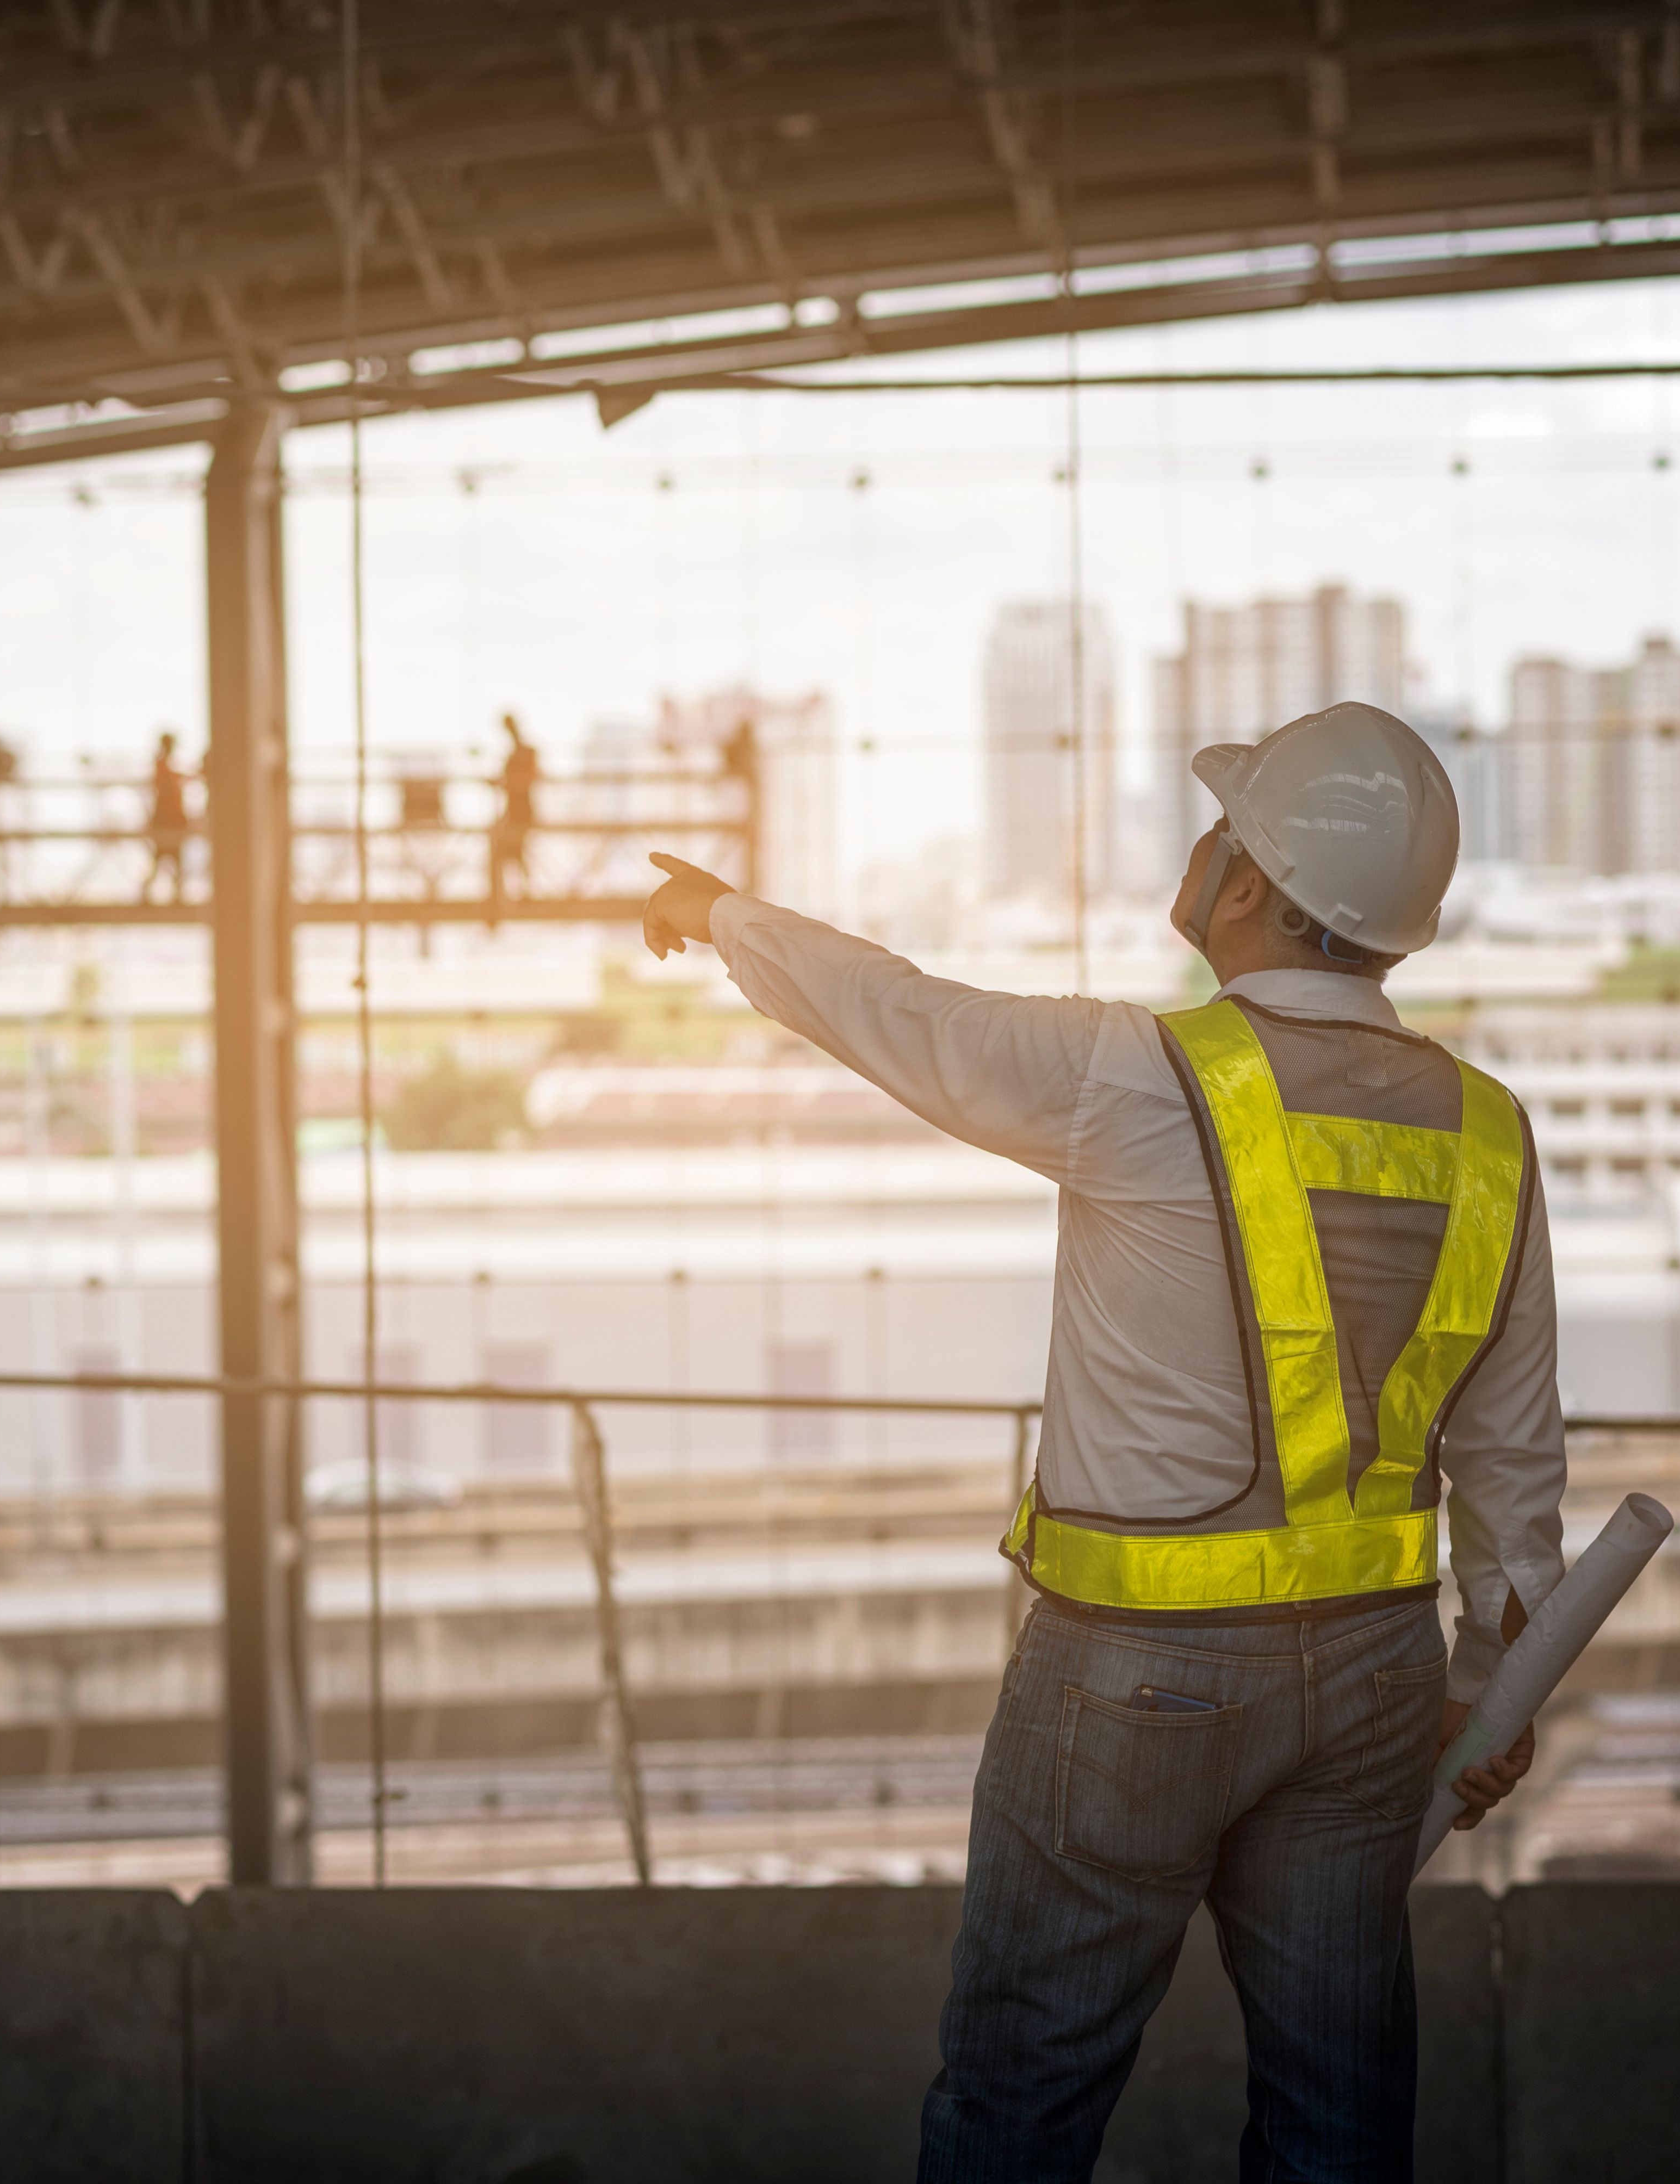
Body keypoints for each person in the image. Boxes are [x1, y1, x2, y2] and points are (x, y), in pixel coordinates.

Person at [644, 702, 1557, 2184]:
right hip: (1378, 1689)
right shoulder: (1488, 1130)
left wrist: (722, 912)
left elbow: (908, 1017)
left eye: (1220, 832)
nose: (1197, 855)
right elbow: (1513, 1456)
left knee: (1023, 2108)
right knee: (1339, 2129)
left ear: (1250, 884)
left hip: (1142, 1674)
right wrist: (1501, 1678)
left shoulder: (1140, 1076)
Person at [488, 711, 539, 913]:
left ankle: (519, 892)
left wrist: (506, 783)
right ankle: (520, 891)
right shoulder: (522, 752)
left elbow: (524, 779)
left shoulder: (522, 752)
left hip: (520, 811)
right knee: (515, 852)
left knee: (514, 851)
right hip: (517, 811)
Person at [142, 731, 191, 904]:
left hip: (170, 820)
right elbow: (166, 787)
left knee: (168, 859)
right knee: (165, 858)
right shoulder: (162, 765)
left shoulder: (163, 764)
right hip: (167, 821)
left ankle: (175, 894)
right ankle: (171, 894)